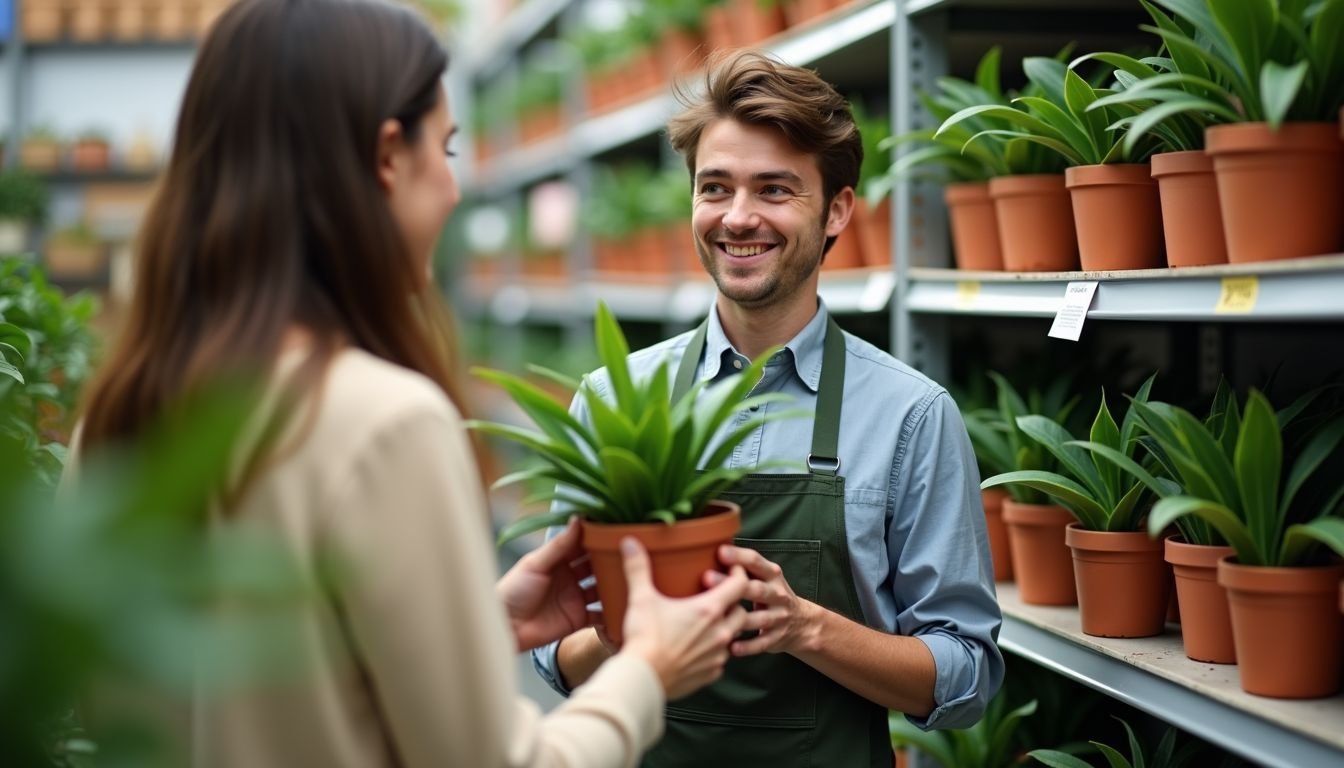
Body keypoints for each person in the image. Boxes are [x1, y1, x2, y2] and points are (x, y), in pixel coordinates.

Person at [68, 1, 751, 766]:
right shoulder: (382, 420)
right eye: (448, 150)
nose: (454, 192)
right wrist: (646, 673)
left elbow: (235, 687)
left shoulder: (125, 406)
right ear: (389, 155)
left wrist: (471, 627)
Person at [533, 50, 1004, 766]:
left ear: (838, 209)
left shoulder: (911, 415)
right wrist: (626, 632)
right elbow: (551, 658)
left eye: (775, 190)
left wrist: (805, 627)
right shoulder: (615, 402)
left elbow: (967, 675)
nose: (739, 217)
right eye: (714, 187)